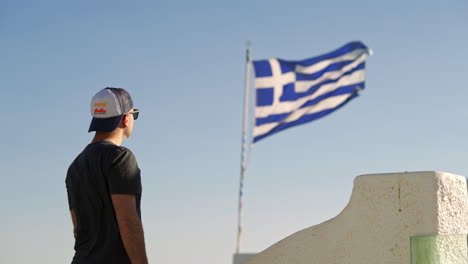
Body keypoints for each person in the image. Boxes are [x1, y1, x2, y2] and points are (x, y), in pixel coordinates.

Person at [65, 87, 148, 264]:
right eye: (134, 115)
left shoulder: (75, 166)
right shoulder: (120, 158)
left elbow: (77, 229)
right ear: (126, 119)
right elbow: (128, 222)